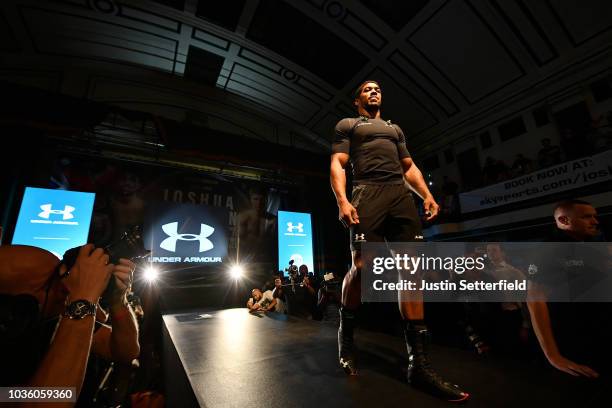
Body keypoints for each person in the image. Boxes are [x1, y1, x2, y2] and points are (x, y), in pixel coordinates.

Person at [330, 80, 468, 401]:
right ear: (357, 100)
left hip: (399, 196)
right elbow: (337, 163)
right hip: (366, 191)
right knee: (365, 266)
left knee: (412, 272)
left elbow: (409, 168)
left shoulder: (394, 128)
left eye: (377, 88)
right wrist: (341, 200)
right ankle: (346, 335)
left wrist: (428, 195)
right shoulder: (349, 125)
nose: (374, 91)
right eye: (367, 89)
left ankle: (418, 366)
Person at [0, 244, 140, 399]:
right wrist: (83, 297)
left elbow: (125, 352)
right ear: (11, 308)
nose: (66, 285)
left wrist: (118, 301)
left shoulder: (52, 319)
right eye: (53, 283)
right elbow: (48, 400)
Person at [527, 200, 610, 377]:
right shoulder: (548, 250)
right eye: (587, 217)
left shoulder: (594, 243)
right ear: (564, 220)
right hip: (577, 343)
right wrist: (553, 356)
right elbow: (535, 299)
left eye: (594, 216)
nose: (595, 221)